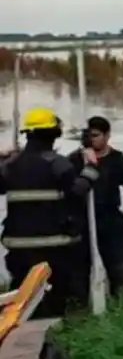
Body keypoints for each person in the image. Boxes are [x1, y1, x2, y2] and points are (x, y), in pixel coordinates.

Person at [0, 107, 100, 318]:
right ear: (53, 134)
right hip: (54, 249)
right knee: (54, 299)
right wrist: (91, 170)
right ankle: (50, 338)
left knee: (22, 299)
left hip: (19, 250)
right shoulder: (58, 164)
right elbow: (76, 193)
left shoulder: (10, 166)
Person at [68, 116, 123, 298]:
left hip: (110, 220)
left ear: (107, 135)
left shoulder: (118, 159)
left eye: (96, 135)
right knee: (79, 271)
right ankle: (81, 306)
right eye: (89, 135)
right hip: (82, 220)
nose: (92, 139)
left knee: (120, 268)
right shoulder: (75, 159)